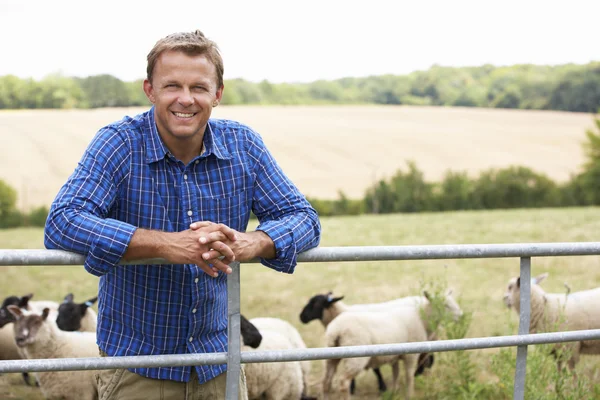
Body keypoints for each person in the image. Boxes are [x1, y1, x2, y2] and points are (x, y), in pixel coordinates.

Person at [44, 29, 321, 399]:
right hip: (138, 366)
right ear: (150, 90)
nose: (186, 99)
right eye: (172, 85)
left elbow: (303, 217)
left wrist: (252, 242)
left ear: (218, 94)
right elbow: (64, 220)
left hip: (219, 362)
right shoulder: (118, 143)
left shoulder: (244, 145)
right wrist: (166, 244)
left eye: (199, 88)